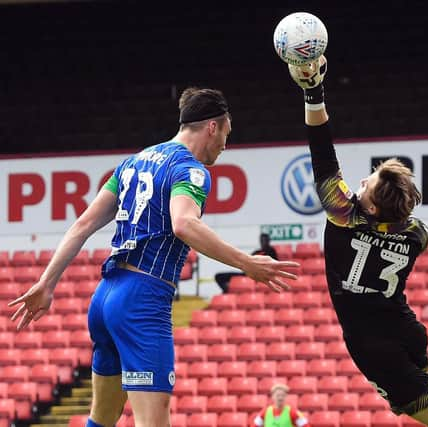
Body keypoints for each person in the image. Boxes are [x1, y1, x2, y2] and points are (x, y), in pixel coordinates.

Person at [8, 87, 298, 427]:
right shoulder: (190, 171)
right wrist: (247, 263)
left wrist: (47, 283)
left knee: (101, 419)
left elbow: (83, 224)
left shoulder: (132, 163)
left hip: (104, 299)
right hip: (142, 302)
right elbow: (184, 224)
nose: (224, 145)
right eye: (226, 134)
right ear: (212, 127)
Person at [285, 56, 428, 426]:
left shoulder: (344, 214)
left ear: (369, 202)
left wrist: (313, 92)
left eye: (366, 182)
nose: (360, 183)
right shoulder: (415, 234)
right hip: (405, 332)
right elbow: (413, 229)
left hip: (375, 347)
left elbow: (323, 153)